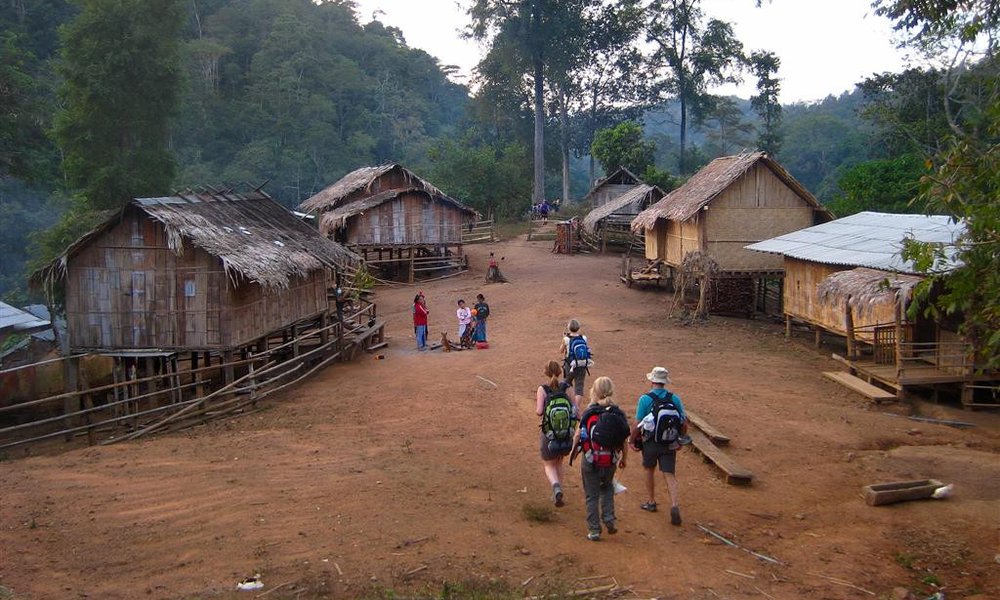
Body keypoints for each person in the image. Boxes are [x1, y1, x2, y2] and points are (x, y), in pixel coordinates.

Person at [574, 376, 628, 541]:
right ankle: (609, 519)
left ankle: (594, 530)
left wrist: (572, 453)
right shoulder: (617, 414)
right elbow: (623, 440)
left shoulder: (590, 413)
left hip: (590, 459)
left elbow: (578, 435)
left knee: (591, 494)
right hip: (610, 459)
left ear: (594, 392)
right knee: (607, 488)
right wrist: (623, 458)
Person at [633, 366, 687, 526]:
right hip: (669, 441)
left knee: (649, 469)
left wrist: (631, 440)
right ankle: (674, 504)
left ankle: (651, 501)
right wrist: (680, 439)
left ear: (652, 381)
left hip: (650, 441)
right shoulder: (674, 398)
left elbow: (637, 423)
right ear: (664, 382)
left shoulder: (645, 399)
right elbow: (683, 422)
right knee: (669, 473)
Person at [536, 360, 578, 507]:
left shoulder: (543, 389)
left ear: (545, 373)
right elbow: (575, 410)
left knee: (548, 464)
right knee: (559, 461)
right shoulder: (568, 388)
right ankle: (559, 490)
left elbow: (539, 411)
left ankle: (555, 487)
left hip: (549, 433)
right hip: (566, 432)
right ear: (560, 372)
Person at [560, 319, 592, 399]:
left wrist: (564, 338)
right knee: (579, 386)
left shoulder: (566, 339)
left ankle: (570, 403)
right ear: (578, 328)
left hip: (569, 365)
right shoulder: (584, 338)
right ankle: (576, 407)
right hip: (582, 364)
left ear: (569, 328)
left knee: (567, 384)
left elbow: (561, 351)